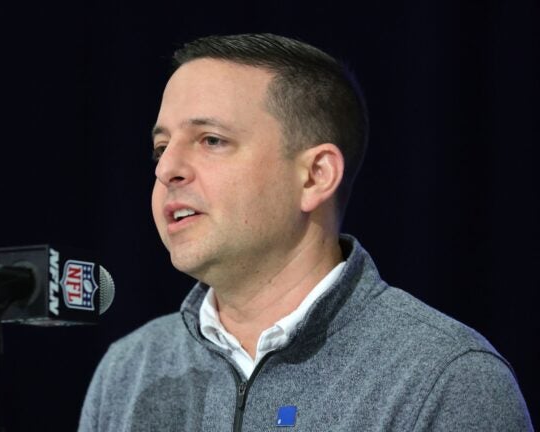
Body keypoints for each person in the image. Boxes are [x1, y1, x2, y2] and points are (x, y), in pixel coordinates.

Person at [79, 33, 533, 431]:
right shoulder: (130, 369)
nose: (168, 169)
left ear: (316, 176)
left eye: (211, 140)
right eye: (161, 148)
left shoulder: (446, 378)